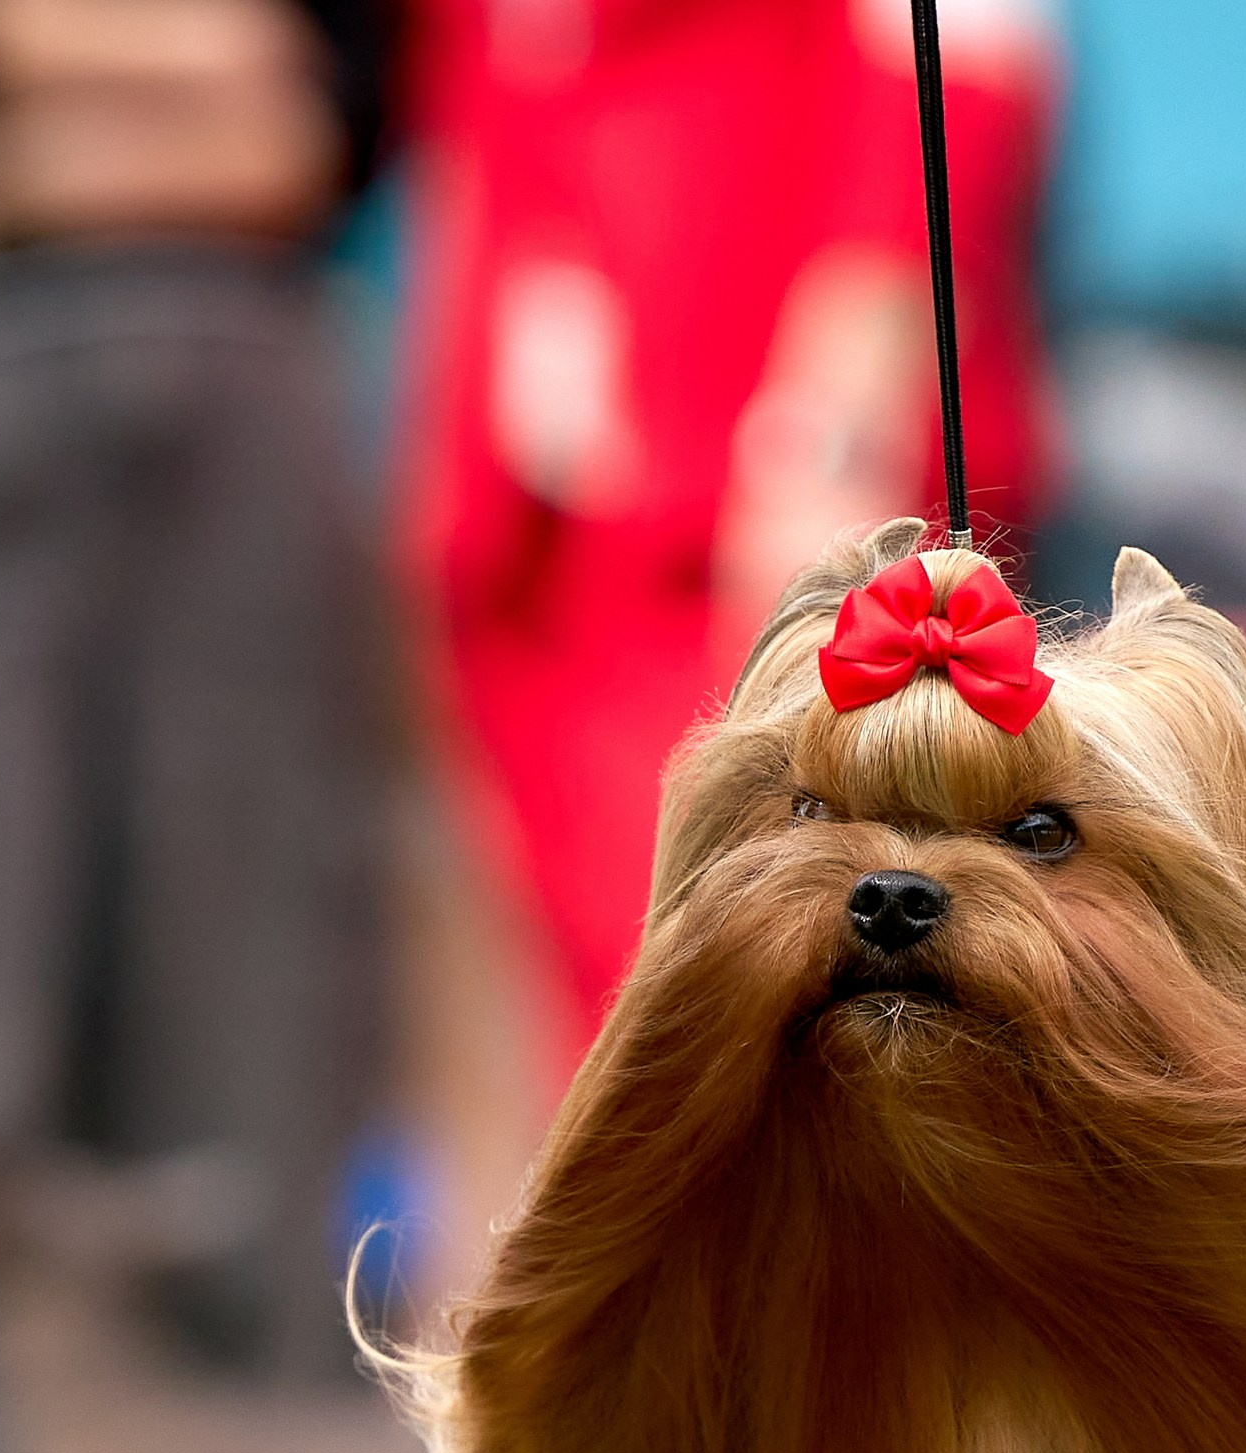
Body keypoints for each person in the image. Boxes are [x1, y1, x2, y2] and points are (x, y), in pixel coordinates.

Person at [0, 0, 442, 1453]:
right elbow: (238, 91)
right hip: (14, 340)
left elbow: (312, 113)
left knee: (259, 1114)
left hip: (249, 344)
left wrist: (60, 90)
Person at [398, 0, 1055, 1043]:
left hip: (742, 529)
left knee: (758, 1005)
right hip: (531, 547)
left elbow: (952, 75)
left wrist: (825, 451)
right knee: (576, 1026)